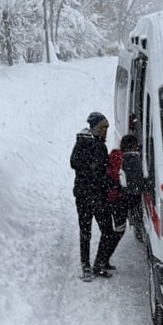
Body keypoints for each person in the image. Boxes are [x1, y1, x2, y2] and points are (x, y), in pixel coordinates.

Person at [69, 112, 121, 281]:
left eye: (106, 127)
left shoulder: (90, 143)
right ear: (95, 127)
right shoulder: (90, 143)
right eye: (103, 127)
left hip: (88, 195)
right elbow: (93, 171)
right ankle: (91, 266)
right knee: (101, 231)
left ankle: (96, 264)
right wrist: (112, 184)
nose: (106, 130)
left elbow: (76, 163)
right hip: (92, 196)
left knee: (92, 231)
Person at [106, 133, 147, 241]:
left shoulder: (118, 157)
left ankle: (132, 225)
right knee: (137, 211)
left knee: (126, 218)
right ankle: (138, 228)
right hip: (134, 194)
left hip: (121, 195)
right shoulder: (136, 158)